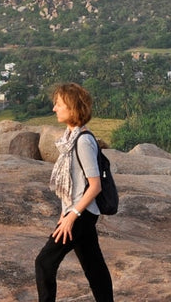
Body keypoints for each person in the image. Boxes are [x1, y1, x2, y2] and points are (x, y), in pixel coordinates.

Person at [35, 82, 114, 302]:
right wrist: (65, 211)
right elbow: (75, 184)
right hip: (79, 213)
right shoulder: (71, 138)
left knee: (44, 262)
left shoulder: (83, 141)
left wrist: (73, 216)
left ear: (72, 108)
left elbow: (95, 185)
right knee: (94, 267)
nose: (54, 108)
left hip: (82, 214)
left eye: (59, 104)